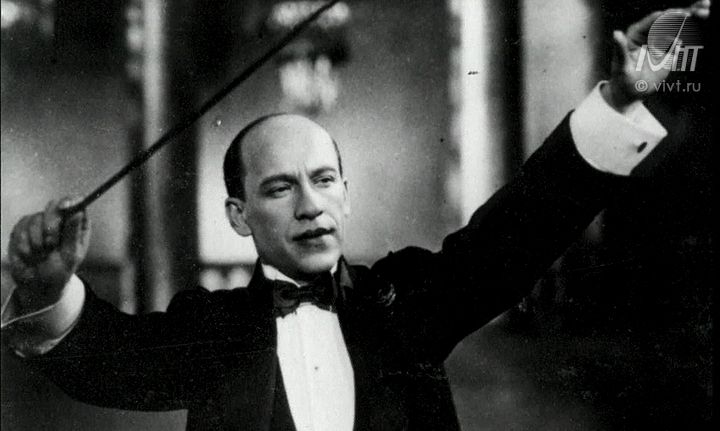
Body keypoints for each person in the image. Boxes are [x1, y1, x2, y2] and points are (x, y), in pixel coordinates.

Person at [1, 2, 711, 430]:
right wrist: (47, 286)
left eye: (323, 181)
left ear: (344, 193)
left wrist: (618, 103)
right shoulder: (212, 329)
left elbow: (519, 231)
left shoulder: (408, 303)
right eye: (280, 189)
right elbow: (111, 362)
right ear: (239, 216)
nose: (310, 205)